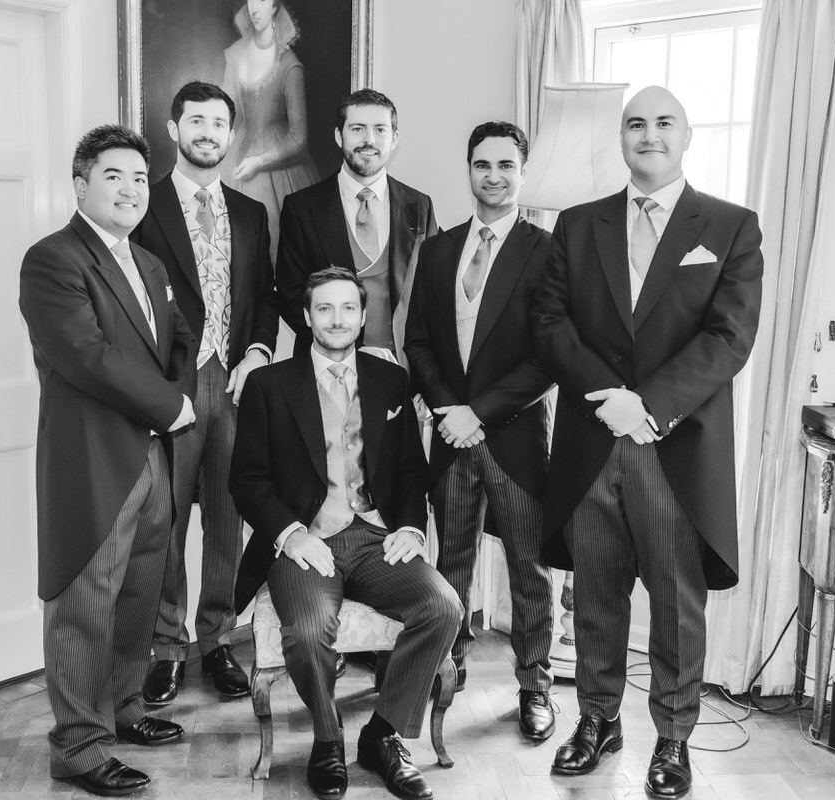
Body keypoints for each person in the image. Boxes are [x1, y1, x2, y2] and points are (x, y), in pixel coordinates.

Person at [534, 86, 763, 798]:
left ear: (686, 134)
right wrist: (612, 400)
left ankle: (672, 738)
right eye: (636, 123)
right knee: (595, 594)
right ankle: (597, 719)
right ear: (622, 138)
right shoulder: (577, 224)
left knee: (675, 599)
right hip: (593, 440)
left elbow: (730, 337)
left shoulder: (729, 226)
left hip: (675, 446)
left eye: (663, 121)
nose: (649, 134)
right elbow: (549, 323)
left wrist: (649, 405)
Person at [230, 267, 462, 800]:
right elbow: (246, 479)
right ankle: (328, 741)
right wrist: (289, 533)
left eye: (348, 309)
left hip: (376, 535)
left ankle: (382, 737)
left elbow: (409, 469)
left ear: (362, 317)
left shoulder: (391, 381)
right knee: (310, 630)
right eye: (325, 309)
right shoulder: (269, 385)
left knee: (443, 607)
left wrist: (408, 525)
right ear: (307, 317)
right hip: (305, 541)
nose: (337, 320)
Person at [18, 124, 198, 796]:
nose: (128, 189)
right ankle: (78, 745)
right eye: (112, 176)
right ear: (81, 184)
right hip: (92, 461)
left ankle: (122, 710)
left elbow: (180, 336)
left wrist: (174, 397)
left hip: (152, 460)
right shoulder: (52, 260)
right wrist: (171, 407)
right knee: (82, 606)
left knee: (137, 596)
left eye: (136, 179)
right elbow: (85, 355)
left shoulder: (148, 263)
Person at [404, 121, 558, 744]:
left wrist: (481, 413)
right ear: (468, 169)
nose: (493, 175)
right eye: (481, 164)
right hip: (450, 436)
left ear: (523, 171)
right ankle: (449, 662)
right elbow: (417, 342)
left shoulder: (546, 250)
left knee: (530, 568)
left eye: (505, 164)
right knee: (452, 562)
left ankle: (534, 685)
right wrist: (448, 410)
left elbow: (549, 355)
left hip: (514, 437)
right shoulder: (438, 250)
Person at [131, 81, 277, 708]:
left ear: (230, 133)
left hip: (236, 386)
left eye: (220, 123)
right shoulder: (145, 204)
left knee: (227, 519)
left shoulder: (250, 213)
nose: (209, 133)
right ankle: (167, 649)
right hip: (172, 389)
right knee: (165, 520)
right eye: (197, 121)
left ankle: (217, 640)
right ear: (174, 128)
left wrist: (256, 354)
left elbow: (265, 299)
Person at [277, 89, 438, 362]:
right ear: (339, 136)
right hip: (325, 369)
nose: (369, 140)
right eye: (357, 129)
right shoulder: (302, 207)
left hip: (404, 371)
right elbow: (291, 295)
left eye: (380, 130)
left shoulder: (420, 205)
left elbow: (434, 292)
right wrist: (346, 350)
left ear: (394, 138)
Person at [220, 0, 319, 253]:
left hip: (279, 164)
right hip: (237, 152)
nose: (254, 8)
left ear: (275, 7)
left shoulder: (289, 64)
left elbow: (298, 138)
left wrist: (258, 162)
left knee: (274, 242)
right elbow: (224, 113)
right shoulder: (235, 54)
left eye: (262, 0)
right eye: (251, 0)